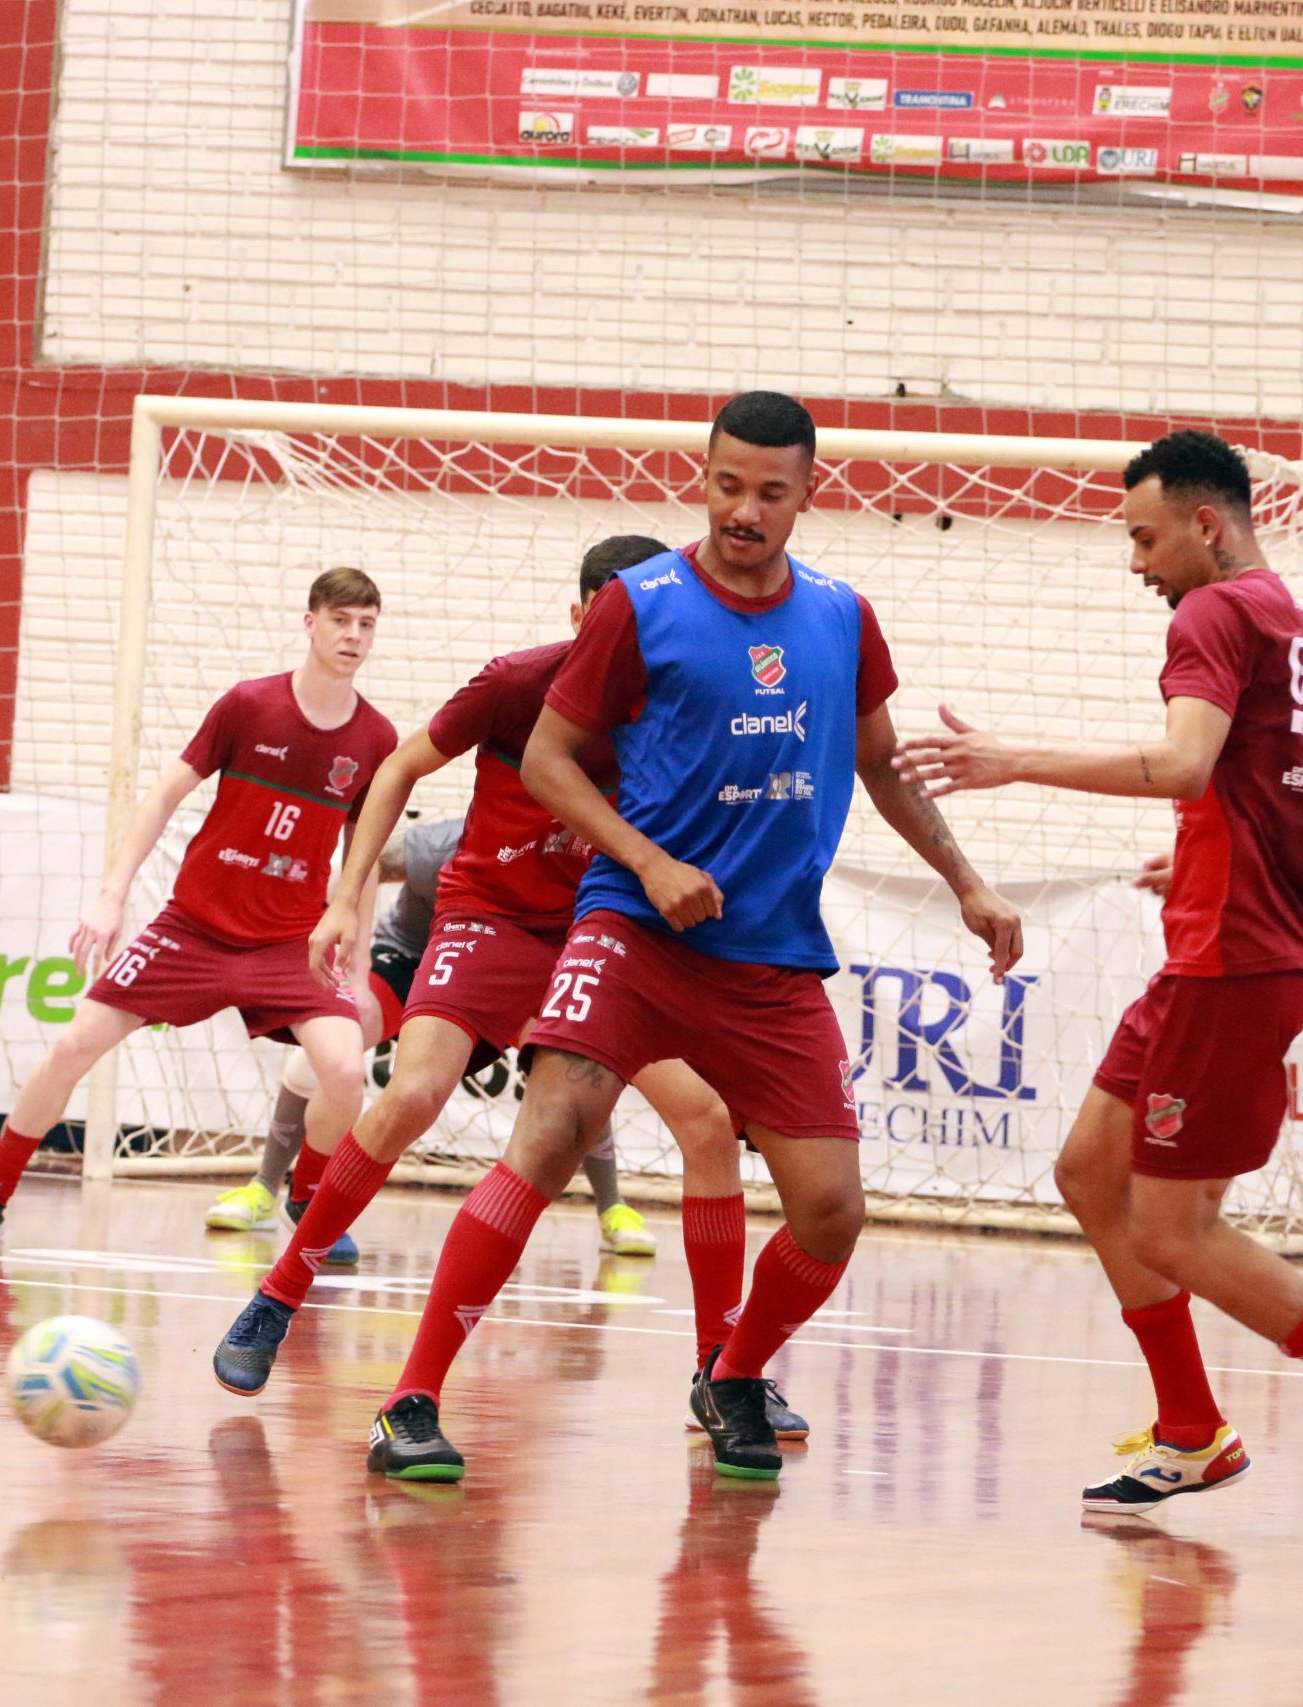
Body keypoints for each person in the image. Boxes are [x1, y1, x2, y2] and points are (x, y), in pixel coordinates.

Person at [363, 391, 1022, 1484]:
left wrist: (968, 882)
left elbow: (879, 762)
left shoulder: (843, 618)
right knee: (554, 1131)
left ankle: (732, 1374)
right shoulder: (640, 604)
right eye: (725, 485)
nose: (742, 511)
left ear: (809, 494)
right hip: (636, 928)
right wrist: (649, 860)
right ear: (703, 477)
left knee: (830, 1210)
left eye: (769, 492)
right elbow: (547, 763)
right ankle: (409, 1401)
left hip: (769, 955)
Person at [892, 428, 1303, 1536]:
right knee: (1089, 1175)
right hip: (1220, 947)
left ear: (1205, 527)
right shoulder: (1296, 625)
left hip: (1234, 965)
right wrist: (1205, 850)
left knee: (1175, 1229)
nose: (1135, 563)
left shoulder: (1211, 613)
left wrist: (1011, 759)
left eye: (1146, 538)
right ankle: (1192, 1429)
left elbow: (1182, 763)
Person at [213, 537, 793, 1442]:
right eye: (605, 619)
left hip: (604, 931)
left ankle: (721, 1368)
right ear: (578, 617)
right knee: (413, 1092)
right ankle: (282, 1289)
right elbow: (399, 768)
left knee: (708, 1120)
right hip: (489, 918)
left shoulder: (685, 699)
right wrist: (340, 899)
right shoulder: (517, 682)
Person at [0, 570, 398, 1239]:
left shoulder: (376, 738)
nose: (354, 636)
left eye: (367, 624)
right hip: (194, 930)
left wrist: (353, 971)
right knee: (72, 1045)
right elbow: (163, 796)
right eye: (341, 620)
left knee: (346, 1068)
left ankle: (308, 1203)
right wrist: (110, 896)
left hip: (289, 942)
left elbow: (365, 857)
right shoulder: (248, 705)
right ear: (310, 622)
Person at [205, 813, 660, 1258]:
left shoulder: (580, 857)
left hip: (510, 971)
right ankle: (268, 1187)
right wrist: (358, 976)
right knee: (335, 1042)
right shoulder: (444, 846)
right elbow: (371, 862)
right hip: (412, 957)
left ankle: (612, 1207)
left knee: (573, 1069)